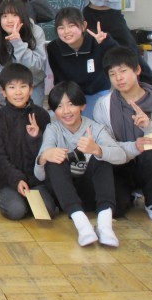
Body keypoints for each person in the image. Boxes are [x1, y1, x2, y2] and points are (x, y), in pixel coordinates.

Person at [94, 46, 152, 220]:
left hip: (148, 165)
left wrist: (150, 127)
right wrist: (134, 146)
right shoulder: (103, 105)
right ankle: (130, 194)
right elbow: (104, 144)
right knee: (115, 210)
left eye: (123, 71)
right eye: (112, 74)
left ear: (137, 70)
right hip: (120, 164)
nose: (118, 78)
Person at [35, 81, 125, 247]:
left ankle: (105, 226)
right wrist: (44, 156)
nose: (66, 111)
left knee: (101, 158)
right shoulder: (52, 129)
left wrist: (97, 149)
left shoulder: (95, 128)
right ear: (54, 110)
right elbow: (39, 175)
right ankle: (83, 226)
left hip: (90, 193)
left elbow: (120, 156)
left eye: (71, 104)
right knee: (54, 161)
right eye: (59, 106)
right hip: (64, 197)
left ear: (82, 106)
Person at [0, 63, 57, 220]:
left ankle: (29, 199)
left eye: (23, 86)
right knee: (16, 211)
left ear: (31, 89)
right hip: (8, 181)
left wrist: (36, 137)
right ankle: (8, 198)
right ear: (3, 92)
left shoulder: (41, 116)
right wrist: (17, 179)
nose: (18, 92)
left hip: (36, 180)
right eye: (12, 87)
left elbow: (46, 153)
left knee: (47, 211)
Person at [47, 7, 117, 117]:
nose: (66, 31)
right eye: (61, 28)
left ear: (83, 26)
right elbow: (58, 78)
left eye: (71, 26)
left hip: (96, 92)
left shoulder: (97, 41)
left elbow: (120, 58)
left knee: (95, 120)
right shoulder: (53, 48)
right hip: (70, 96)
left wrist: (106, 43)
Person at [0, 0, 47, 111]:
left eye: (14, 15)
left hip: (31, 96)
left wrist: (18, 43)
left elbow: (37, 67)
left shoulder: (36, 31)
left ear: (23, 16)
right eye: (4, 16)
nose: (9, 20)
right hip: (3, 101)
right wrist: (1, 101)